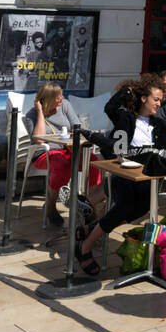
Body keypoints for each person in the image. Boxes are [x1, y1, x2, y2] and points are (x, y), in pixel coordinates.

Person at [75, 74, 166, 275]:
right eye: (155, 99)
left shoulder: (161, 126)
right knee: (125, 205)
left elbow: (163, 153)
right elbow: (110, 107)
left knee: (140, 209)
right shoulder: (126, 117)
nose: (159, 104)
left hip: (145, 177)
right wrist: (128, 91)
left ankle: (92, 228)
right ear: (144, 98)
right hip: (122, 174)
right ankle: (85, 247)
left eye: (161, 100)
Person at [24, 82, 104, 227]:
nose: (62, 97)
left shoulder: (65, 105)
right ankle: (50, 207)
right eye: (58, 96)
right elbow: (39, 139)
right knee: (62, 165)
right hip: (44, 154)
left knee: (91, 161)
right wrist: (40, 112)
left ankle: (88, 207)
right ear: (48, 98)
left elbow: (77, 127)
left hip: (68, 150)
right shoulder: (31, 115)